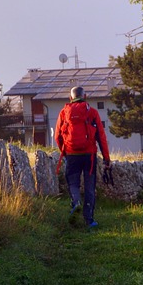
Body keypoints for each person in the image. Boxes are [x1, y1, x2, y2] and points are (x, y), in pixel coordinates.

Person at [55, 85, 111, 228]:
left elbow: (57, 136)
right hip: (89, 155)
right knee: (89, 186)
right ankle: (89, 220)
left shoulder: (63, 113)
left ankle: (76, 202)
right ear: (85, 97)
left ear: (70, 98)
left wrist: (65, 151)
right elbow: (101, 137)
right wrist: (106, 158)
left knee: (73, 183)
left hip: (72, 154)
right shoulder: (92, 112)